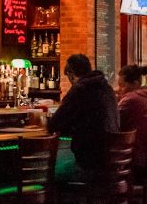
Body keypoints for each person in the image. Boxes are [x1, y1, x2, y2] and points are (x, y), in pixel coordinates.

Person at [48, 53, 119, 182]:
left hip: (90, 166)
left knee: (53, 173)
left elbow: (54, 124)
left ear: (71, 74)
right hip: (113, 164)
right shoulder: (107, 88)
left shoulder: (80, 89)